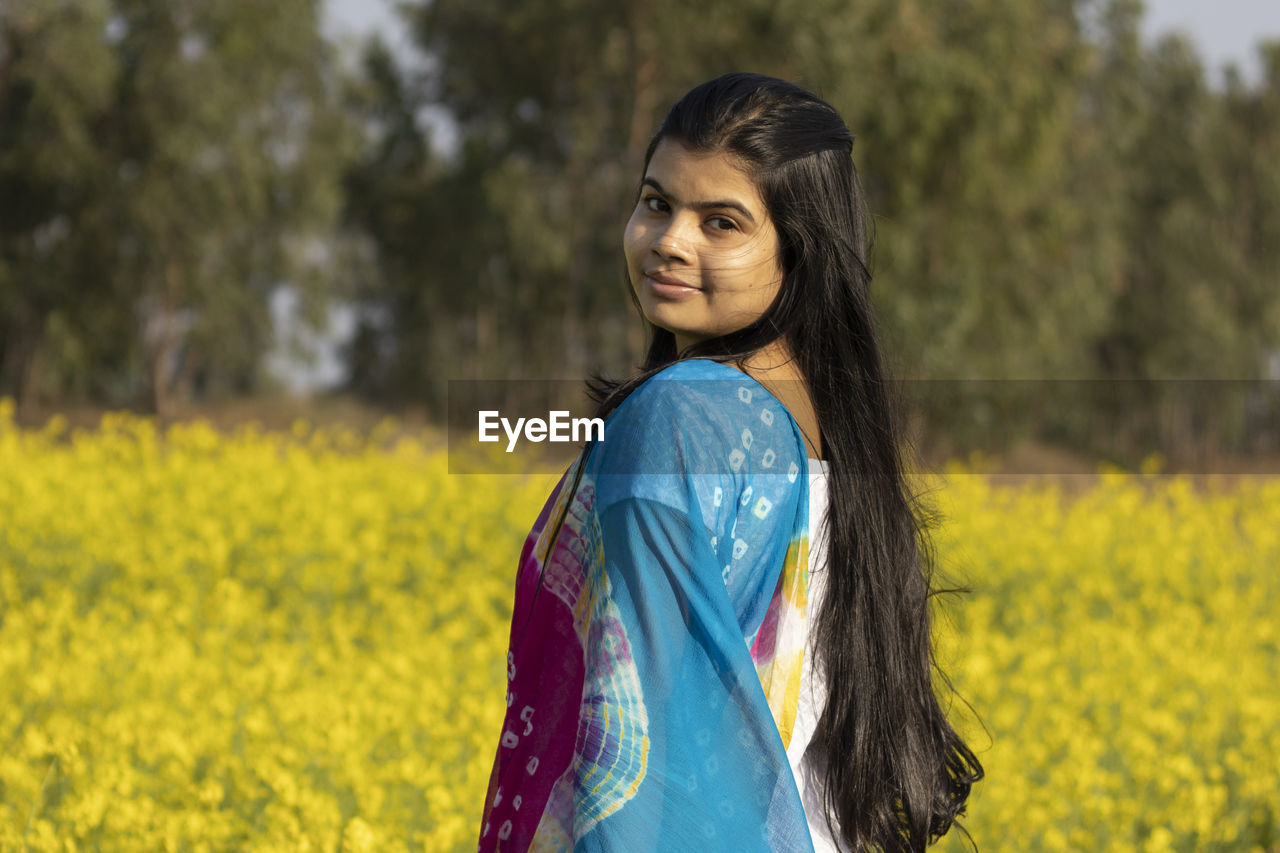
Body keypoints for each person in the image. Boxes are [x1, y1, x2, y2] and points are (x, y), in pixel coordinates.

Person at [477, 72, 983, 853]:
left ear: (798, 251)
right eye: (656, 203)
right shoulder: (826, 436)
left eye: (722, 222)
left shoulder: (679, 418)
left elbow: (634, 738)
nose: (671, 241)